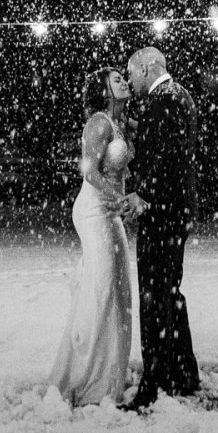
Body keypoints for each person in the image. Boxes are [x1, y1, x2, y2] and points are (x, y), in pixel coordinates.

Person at [48, 67, 136, 406]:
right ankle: (82, 374)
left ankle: (111, 373)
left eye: (123, 78)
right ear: (104, 90)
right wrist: (116, 197)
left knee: (121, 289)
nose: (124, 82)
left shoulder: (123, 123)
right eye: (117, 80)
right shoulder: (98, 123)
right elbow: (89, 170)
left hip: (112, 213)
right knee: (101, 290)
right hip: (93, 210)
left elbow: (125, 164)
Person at [121, 46, 200, 408]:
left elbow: (163, 155)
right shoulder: (179, 95)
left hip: (162, 214)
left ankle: (154, 384)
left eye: (132, 72)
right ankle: (183, 372)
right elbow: (168, 145)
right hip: (178, 211)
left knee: (155, 298)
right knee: (170, 293)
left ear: (148, 68)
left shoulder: (161, 101)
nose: (131, 80)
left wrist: (143, 194)